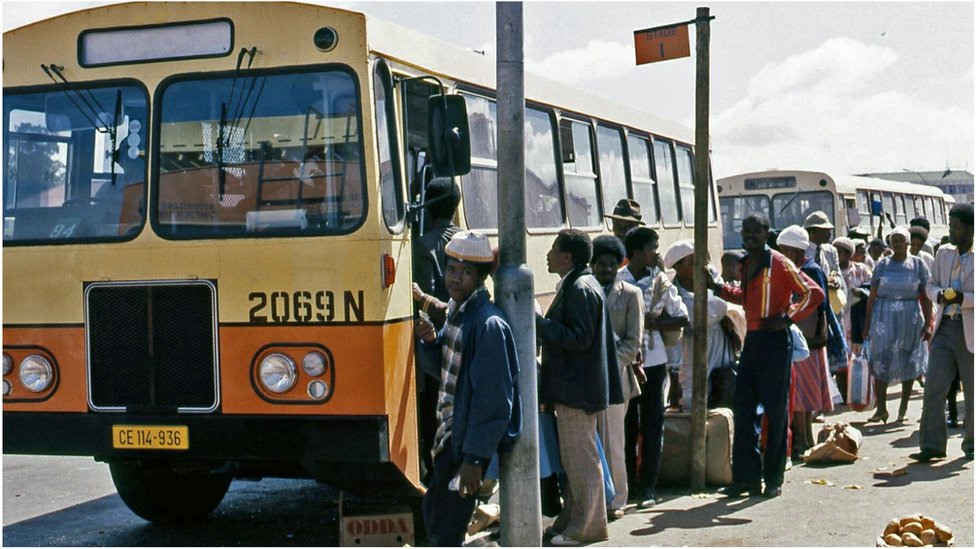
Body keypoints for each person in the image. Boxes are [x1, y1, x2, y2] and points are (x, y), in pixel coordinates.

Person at [413, 231, 521, 546]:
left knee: (445, 526)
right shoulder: (457, 314)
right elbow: (445, 373)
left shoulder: (487, 325)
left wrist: (474, 459)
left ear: (481, 277)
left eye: (465, 272)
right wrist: (432, 342)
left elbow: (494, 401)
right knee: (436, 513)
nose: (455, 278)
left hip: (463, 444)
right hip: (449, 435)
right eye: (451, 270)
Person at [706, 213, 824, 498]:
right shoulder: (746, 263)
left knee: (775, 410)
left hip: (774, 342)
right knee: (744, 409)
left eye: (756, 231)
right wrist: (717, 288)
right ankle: (746, 478)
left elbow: (813, 292)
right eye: (746, 230)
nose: (749, 235)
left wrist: (787, 319)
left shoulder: (780, 263)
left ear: (766, 232)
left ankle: (773, 478)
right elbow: (745, 297)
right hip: (753, 340)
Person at [537, 229, 622, 546]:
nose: (547, 254)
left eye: (553, 249)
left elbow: (579, 338)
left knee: (582, 462)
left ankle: (588, 527)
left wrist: (540, 324)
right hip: (574, 390)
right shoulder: (579, 284)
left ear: (567, 257)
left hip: (577, 391)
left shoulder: (581, 288)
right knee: (573, 462)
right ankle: (572, 520)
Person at [620, 227, 686, 510]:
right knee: (626, 426)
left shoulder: (661, 283)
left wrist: (650, 324)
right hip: (626, 363)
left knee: (652, 424)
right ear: (635, 253)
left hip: (654, 361)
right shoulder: (619, 279)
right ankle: (629, 486)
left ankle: (648, 486)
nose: (657, 254)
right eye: (652, 249)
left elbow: (681, 318)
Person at [913, 203, 974, 462]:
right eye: (950, 226)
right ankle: (933, 445)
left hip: (969, 330)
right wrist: (938, 295)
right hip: (945, 327)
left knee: (972, 391)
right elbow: (931, 284)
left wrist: (963, 298)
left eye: (956, 227)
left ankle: (971, 443)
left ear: (970, 229)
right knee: (934, 387)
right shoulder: (943, 254)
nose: (951, 231)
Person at [411, 177, 462, 482]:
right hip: (466, 338)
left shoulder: (423, 244)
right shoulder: (470, 240)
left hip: (437, 345)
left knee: (436, 410)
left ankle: (438, 476)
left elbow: (424, 300)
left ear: (427, 207)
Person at [590, 235, 644, 520]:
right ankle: (596, 498)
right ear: (593, 264)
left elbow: (633, 343)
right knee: (591, 442)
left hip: (617, 380)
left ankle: (618, 499)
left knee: (613, 442)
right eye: (601, 264)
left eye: (611, 265)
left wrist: (608, 365)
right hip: (589, 381)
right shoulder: (585, 290)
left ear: (619, 264)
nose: (606, 270)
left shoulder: (631, 295)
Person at [862, 227, 932, 424]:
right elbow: (872, 296)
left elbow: (926, 297)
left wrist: (928, 324)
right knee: (880, 359)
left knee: (908, 359)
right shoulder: (882, 265)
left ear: (908, 243)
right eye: (894, 240)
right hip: (883, 318)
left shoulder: (918, 265)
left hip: (910, 318)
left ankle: (903, 408)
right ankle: (882, 409)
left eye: (901, 240)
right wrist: (867, 324)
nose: (897, 244)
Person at [777, 226, 835, 457]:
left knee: (802, 394)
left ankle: (803, 440)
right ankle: (803, 439)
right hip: (799, 339)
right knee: (799, 393)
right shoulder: (791, 268)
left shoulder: (810, 270)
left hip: (808, 340)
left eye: (785, 251)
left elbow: (819, 305)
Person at [664, 240, 735, 410]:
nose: (700, 267)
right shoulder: (674, 294)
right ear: (678, 268)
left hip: (718, 345)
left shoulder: (711, 276)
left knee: (722, 390)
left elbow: (722, 305)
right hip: (691, 350)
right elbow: (698, 319)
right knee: (691, 398)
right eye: (692, 263)